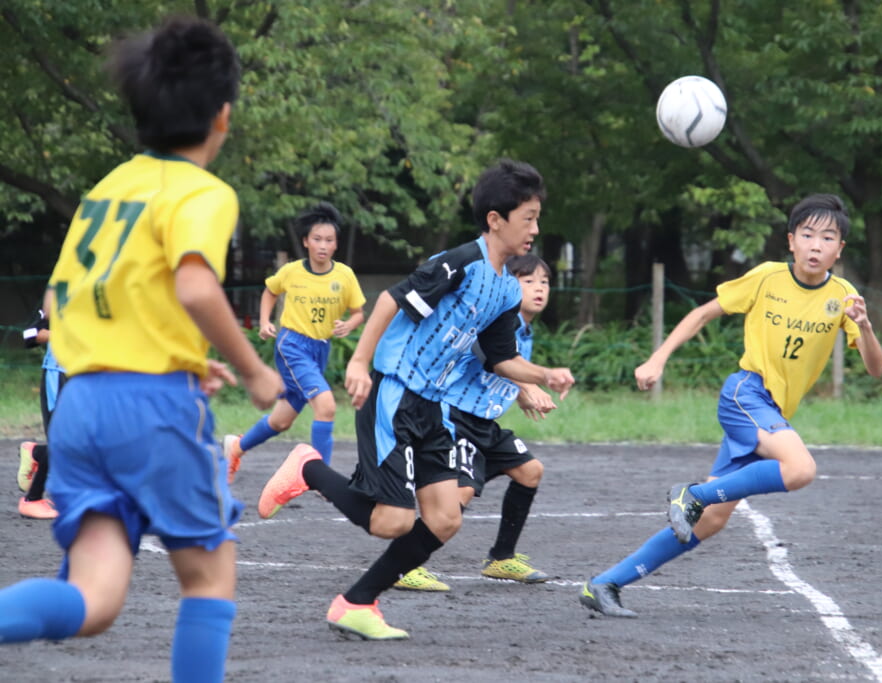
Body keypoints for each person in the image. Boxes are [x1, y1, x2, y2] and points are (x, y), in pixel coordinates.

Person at [0, 17, 281, 683]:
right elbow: (192, 283)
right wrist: (252, 370)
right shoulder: (203, 192)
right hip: (151, 408)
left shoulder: (108, 190)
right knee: (209, 576)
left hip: (80, 406)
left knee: (94, 601)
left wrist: (178, 353)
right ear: (223, 116)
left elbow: (58, 303)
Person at [257, 159, 575, 639]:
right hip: (395, 392)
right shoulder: (462, 262)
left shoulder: (507, 289)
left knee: (446, 519)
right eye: (527, 217)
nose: (535, 228)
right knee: (392, 522)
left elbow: (499, 357)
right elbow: (390, 300)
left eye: (536, 217)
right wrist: (360, 363)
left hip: (432, 406)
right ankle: (308, 469)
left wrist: (543, 374)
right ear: (496, 219)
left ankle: (355, 602)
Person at [580, 193, 882, 617]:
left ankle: (606, 583)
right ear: (791, 241)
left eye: (828, 237)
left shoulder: (844, 296)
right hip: (745, 393)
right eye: (808, 234)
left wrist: (866, 327)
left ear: (840, 249)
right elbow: (703, 314)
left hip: (772, 413)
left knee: (710, 520)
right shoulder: (766, 278)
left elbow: (875, 369)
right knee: (800, 469)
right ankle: (692, 493)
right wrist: (658, 358)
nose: (817, 245)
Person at [395, 253, 557, 592]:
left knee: (530, 471)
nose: (539, 288)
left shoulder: (523, 329)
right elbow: (490, 356)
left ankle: (500, 558)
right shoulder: (501, 319)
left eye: (544, 282)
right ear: (510, 286)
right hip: (456, 417)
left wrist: (519, 391)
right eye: (529, 282)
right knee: (459, 494)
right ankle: (403, 564)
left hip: (484, 422)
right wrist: (529, 385)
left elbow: (499, 369)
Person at [224, 202, 365, 480]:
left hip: (320, 350)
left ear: (336, 245)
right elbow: (269, 291)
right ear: (306, 242)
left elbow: (359, 313)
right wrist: (265, 321)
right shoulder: (291, 271)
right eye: (317, 239)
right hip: (293, 345)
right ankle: (323, 479)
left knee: (282, 420)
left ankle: (236, 447)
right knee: (326, 405)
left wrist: (349, 324)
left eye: (329, 240)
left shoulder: (345, 276)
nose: (323, 245)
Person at [16, 292, 63, 520]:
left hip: (91, 379)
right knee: (63, 441)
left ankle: (36, 452)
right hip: (61, 377)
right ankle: (32, 499)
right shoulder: (65, 291)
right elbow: (29, 334)